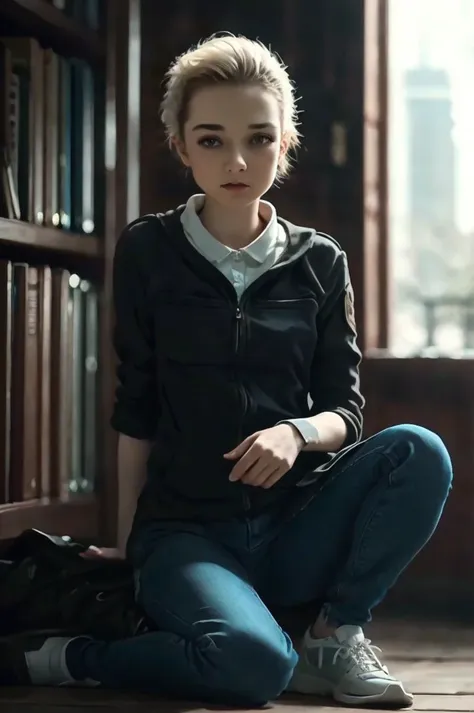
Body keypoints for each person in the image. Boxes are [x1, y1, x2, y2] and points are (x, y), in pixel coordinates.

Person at [16, 34, 452, 707]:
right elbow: (136, 406)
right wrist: (130, 541)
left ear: (285, 143)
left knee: (420, 452)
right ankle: (73, 657)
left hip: (291, 525)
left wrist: (296, 434)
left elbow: (347, 411)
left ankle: (333, 633)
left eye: (259, 138)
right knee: (249, 666)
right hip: (187, 534)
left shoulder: (321, 261)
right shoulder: (150, 249)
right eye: (213, 139)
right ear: (181, 143)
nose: (238, 160)